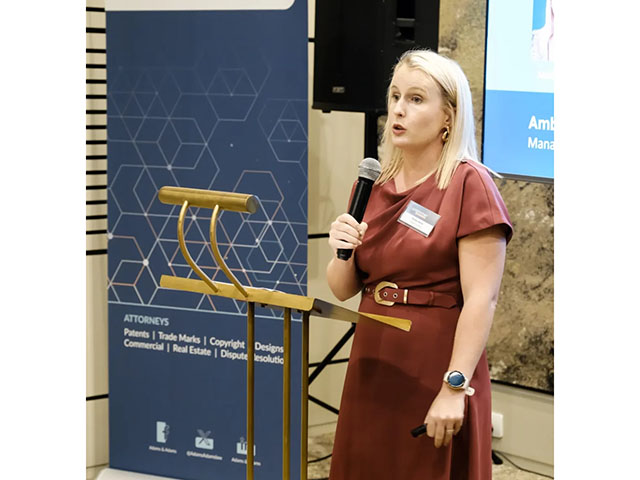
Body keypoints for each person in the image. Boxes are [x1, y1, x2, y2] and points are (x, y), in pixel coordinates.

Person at [326, 49, 513, 480]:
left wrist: (454, 386)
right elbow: (342, 288)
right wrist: (341, 248)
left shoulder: (469, 183)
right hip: (374, 359)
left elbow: (481, 299)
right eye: (395, 96)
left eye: (415, 99)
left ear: (448, 116)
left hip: (435, 362)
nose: (398, 110)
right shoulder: (372, 183)